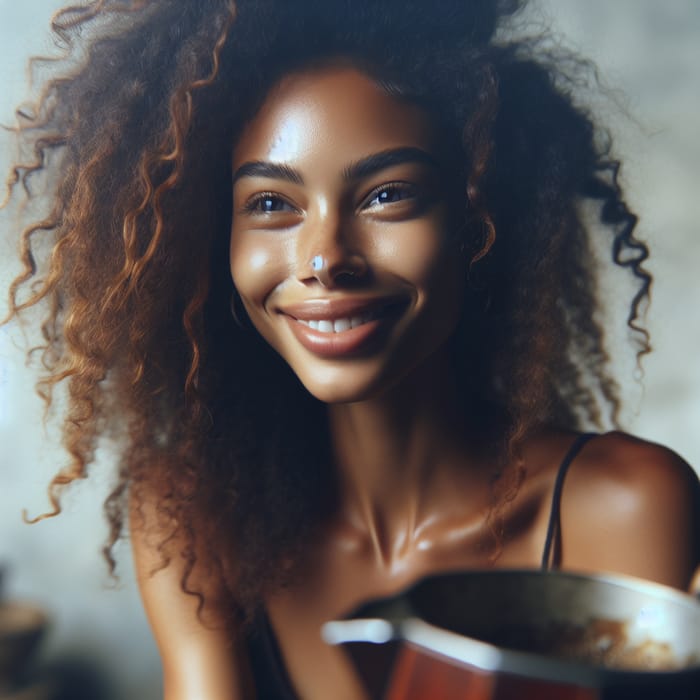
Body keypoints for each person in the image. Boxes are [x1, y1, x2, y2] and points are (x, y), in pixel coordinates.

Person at [2, 0, 698, 698]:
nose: (325, 259)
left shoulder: (625, 506)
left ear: (479, 220)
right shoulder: (194, 514)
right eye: (272, 205)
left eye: (387, 195)